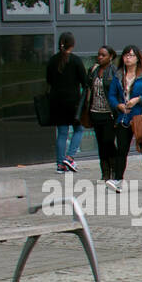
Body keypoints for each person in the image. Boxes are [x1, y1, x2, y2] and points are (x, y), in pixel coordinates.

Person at [107, 45, 142, 192]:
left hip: (140, 118)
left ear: (137, 58)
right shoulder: (118, 75)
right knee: (121, 149)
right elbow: (111, 95)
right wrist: (118, 106)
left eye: (131, 55)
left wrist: (137, 99)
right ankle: (118, 180)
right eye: (125, 55)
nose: (127, 58)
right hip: (124, 118)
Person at [46, 31, 88, 173]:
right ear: (73, 44)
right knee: (79, 129)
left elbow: (49, 81)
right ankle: (69, 158)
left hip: (57, 102)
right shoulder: (76, 60)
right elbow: (85, 81)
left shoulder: (52, 60)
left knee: (62, 133)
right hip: (73, 103)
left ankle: (59, 165)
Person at [86, 46, 117, 182]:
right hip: (95, 112)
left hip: (109, 114)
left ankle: (115, 171)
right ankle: (105, 173)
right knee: (100, 144)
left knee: (109, 142)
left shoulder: (115, 71)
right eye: (98, 55)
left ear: (110, 57)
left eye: (103, 55)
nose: (100, 57)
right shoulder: (94, 70)